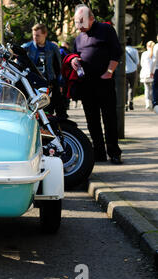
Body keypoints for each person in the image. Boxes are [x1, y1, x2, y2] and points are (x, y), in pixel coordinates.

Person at [71, 4, 123, 164]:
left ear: (92, 19)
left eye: (81, 21)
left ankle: (114, 152)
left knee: (109, 118)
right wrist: (73, 60)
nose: (78, 26)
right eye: (76, 22)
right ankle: (99, 152)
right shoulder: (79, 37)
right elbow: (75, 54)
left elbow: (116, 52)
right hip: (87, 84)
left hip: (104, 82)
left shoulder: (106, 30)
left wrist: (109, 72)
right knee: (92, 120)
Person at [22, 24, 67, 119]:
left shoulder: (53, 48)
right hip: (34, 84)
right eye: (33, 35)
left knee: (58, 110)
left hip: (50, 82)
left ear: (45, 34)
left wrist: (60, 84)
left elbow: (59, 67)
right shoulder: (27, 47)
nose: (35, 37)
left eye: (37, 35)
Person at [124, 37, 140, 111]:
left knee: (125, 88)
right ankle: (131, 101)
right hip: (133, 70)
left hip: (124, 71)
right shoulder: (135, 50)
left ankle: (125, 103)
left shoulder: (123, 50)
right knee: (131, 87)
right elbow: (137, 62)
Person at [140, 41, 156, 110]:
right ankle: (153, 102)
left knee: (146, 89)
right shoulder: (155, 54)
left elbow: (141, 64)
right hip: (153, 73)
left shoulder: (144, 54)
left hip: (145, 74)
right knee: (153, 89)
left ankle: (147, 103)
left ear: (147, 46)